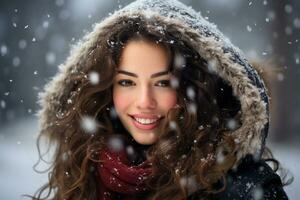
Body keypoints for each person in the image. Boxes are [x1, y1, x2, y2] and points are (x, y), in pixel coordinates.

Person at [32, 0, 290, 199]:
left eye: (162, 83)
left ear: (193, 87)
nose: (144, 101)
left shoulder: (244, 186)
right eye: (127, 82)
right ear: (106, 89)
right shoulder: (83, 172)